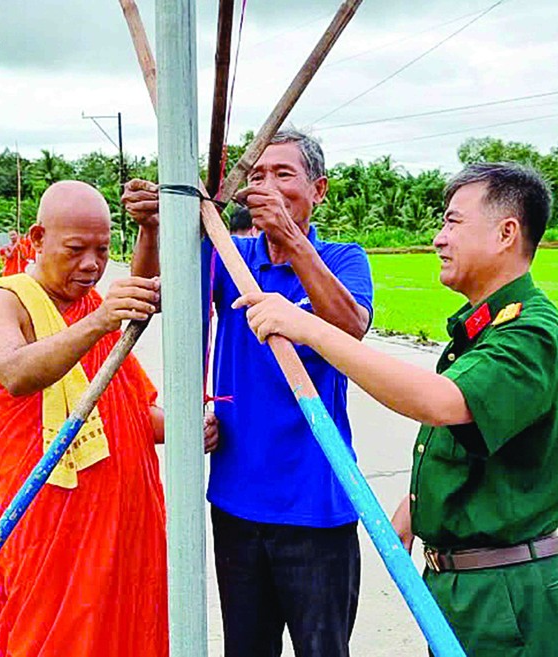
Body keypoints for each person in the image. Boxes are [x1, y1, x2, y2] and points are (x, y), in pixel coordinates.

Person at [234, 162, 558, 657]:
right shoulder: (482, 328)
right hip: (468, 582)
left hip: (504, 590)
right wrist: (419, 507)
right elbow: (476, 444)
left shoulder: (530, 334)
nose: (439, 239)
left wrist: (308, 327)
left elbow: (439, 403)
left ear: (506, 233)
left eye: (452, 223)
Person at [123, 128, 373, 657]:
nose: (268, 186)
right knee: (246, 648)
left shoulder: (343, 258)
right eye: (257, 175)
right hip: (237, 504)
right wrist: (150, 230)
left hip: (317, 506)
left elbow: (351, 327)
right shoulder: (226, 257)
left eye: (284, 174)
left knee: (323, 649)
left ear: (319, 189)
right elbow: (149, 297)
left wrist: (292, 239)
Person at [0, 180, 217, 657]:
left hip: (126, 517)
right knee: (52, 635)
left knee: (130, 630)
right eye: (76, 249)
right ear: (37, 239)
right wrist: (101, 320)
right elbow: (18, 373)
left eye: (102, 250)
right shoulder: (5, 302)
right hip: (52, 521)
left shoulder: (86, 307)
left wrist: (187, 427)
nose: (91, 264)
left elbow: (118, 411)